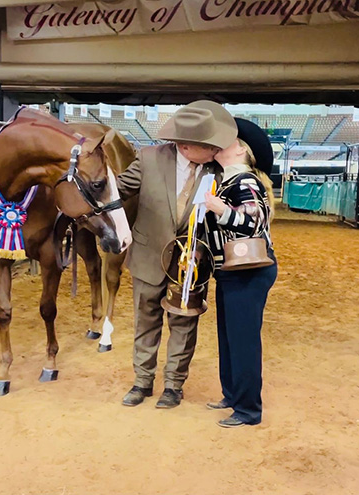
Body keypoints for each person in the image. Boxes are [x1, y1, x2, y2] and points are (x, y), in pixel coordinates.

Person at [117, 103, 237, 409]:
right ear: (184, 145)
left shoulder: (218, 168)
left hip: (192, 264)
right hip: (147, 257)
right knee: (146, 322)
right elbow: (116, 192)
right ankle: (142, 382)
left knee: (184, 325)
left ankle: (174, 385)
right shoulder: (147, 159)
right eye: (208, 146)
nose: (215, 150)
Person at [201, 103, 278, 428]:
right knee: (231, 336)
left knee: (242, 339)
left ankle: (248, 409)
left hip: (247, 271)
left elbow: (252, 222)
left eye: (228, 140)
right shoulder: (229, 181)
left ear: (241, 150)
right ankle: (233, 395)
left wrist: (220, 210)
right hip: (234, 271)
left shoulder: (243, 181)